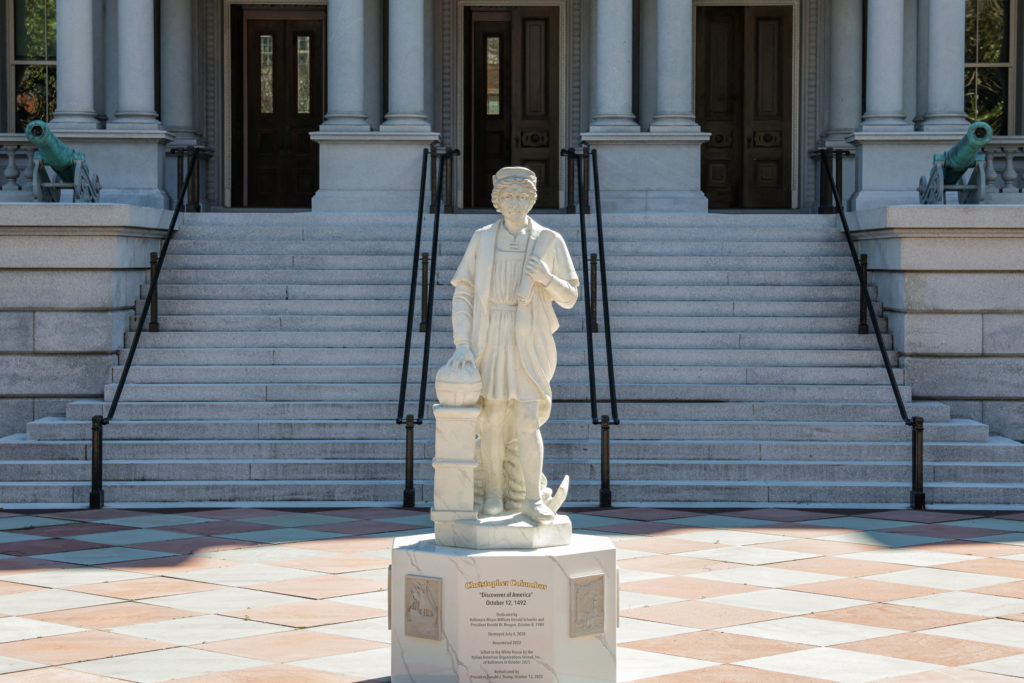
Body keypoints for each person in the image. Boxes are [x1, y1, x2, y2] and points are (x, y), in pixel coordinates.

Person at [446, 167, 579, 524]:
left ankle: (532, 498)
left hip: (529, 341)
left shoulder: (550, 240)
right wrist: (462, 343)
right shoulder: (482, 239)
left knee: (526, 420)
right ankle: (492, 495)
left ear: (533, 199)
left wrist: (546, 279)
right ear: (496, 201)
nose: (516, 203)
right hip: (489, 338)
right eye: (508, 197)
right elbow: (464, 292)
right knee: (490, 420)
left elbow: (570, 297)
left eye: (523, 196)